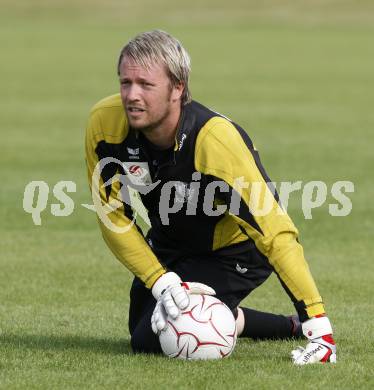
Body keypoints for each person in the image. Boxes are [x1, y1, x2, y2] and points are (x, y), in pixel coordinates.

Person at [85, 30, 336, 364]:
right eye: (125, 82)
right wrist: (161, 282)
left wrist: (318, 326)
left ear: (178, 88)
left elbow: (274, 230)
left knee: (153, 337)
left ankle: (288, 325)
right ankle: (245, 318)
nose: (132, 95)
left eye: (146, 84)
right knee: (141, 332)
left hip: (234, 250)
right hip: (171, 242)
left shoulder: (215, 141)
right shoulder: (105, 125)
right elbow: (113, 217)